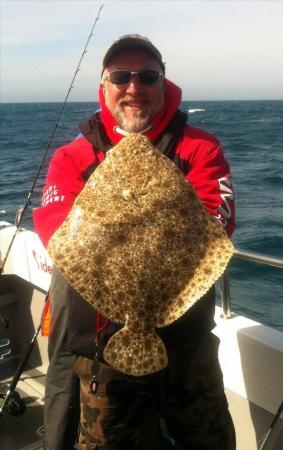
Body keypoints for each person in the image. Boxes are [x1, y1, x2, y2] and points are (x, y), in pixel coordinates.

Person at [33, 34, 236, 450]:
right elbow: (55, 228)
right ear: (103, 87)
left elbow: (218, 223)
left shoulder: (200, 147)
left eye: (147, 76)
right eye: (121, 76)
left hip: (187, 342)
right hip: (101, 348)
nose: (133, 87)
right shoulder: (72, 156)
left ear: (163, 83)